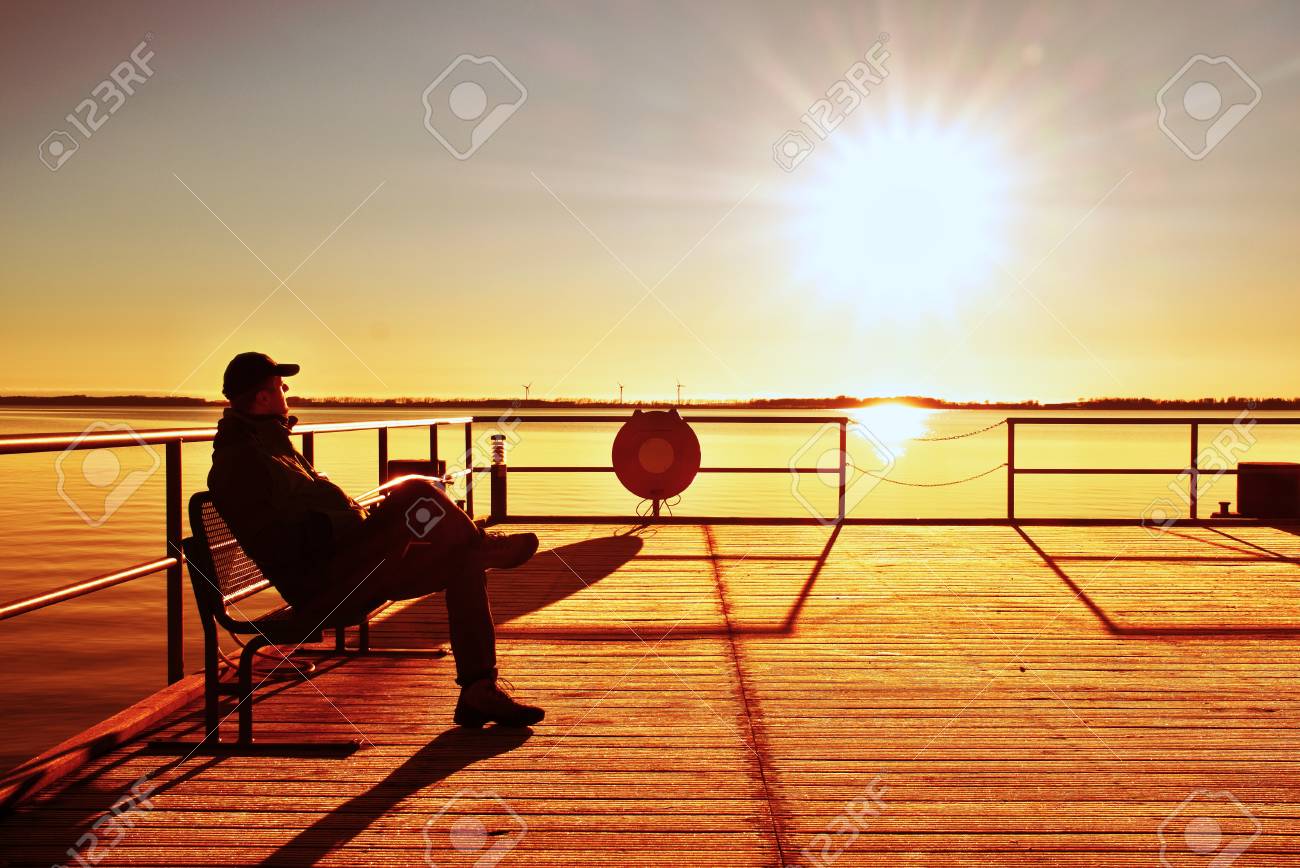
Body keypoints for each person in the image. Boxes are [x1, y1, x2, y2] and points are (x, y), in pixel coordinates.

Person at [207, 351, 544, 727]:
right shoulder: (242, 461)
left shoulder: (271, 445)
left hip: (348, 559)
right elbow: (286, 541)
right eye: (280, 386)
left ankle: (478, 691)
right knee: (416, 491)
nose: (286, 391)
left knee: (463, 562)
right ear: (262, 398)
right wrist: (363, 528)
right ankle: (481, 543)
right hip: (327, 583)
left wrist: (363, 523)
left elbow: (309, 510)